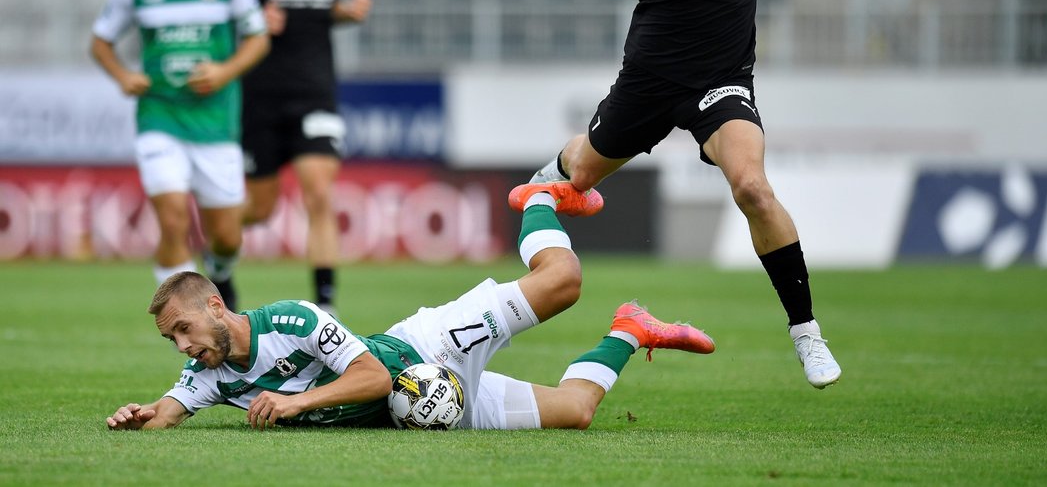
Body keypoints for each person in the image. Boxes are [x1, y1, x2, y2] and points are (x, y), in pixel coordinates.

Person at [519, 0, 870, 390]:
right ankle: (551, 171)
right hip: (651, 80)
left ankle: (807, 333)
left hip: (722, 80)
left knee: (753, 188)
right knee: (576, 176)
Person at [104, 184, 714, 430]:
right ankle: (631, 330)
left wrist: (297, 402)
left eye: (183, 330)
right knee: (578, 412)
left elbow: (369, 374)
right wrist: (140, 417)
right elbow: (169, 410)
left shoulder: (290, 319)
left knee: (563, 282)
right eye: (173, 341)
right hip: (422, 402)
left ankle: (538, 197)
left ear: (215, 305)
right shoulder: (208, 373)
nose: (184, 347)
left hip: (427, 350)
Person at [90, 0, 270, 309]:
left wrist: (224, 70)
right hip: (160, 116)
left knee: (226, 236)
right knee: (172, 221)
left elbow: (258, 38)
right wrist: (122, 75)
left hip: (215, 122)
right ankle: (185, 323)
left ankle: (221, 271)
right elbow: (101, 41)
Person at [236, 0, 373, 316]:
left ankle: (326, 304)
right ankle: (218, 245)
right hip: (261, 96)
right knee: (259, 209)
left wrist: (345, 13)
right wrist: (254, 21)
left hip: (315, 91)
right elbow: (232, 19)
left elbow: (320, 10)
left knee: (318, 191)